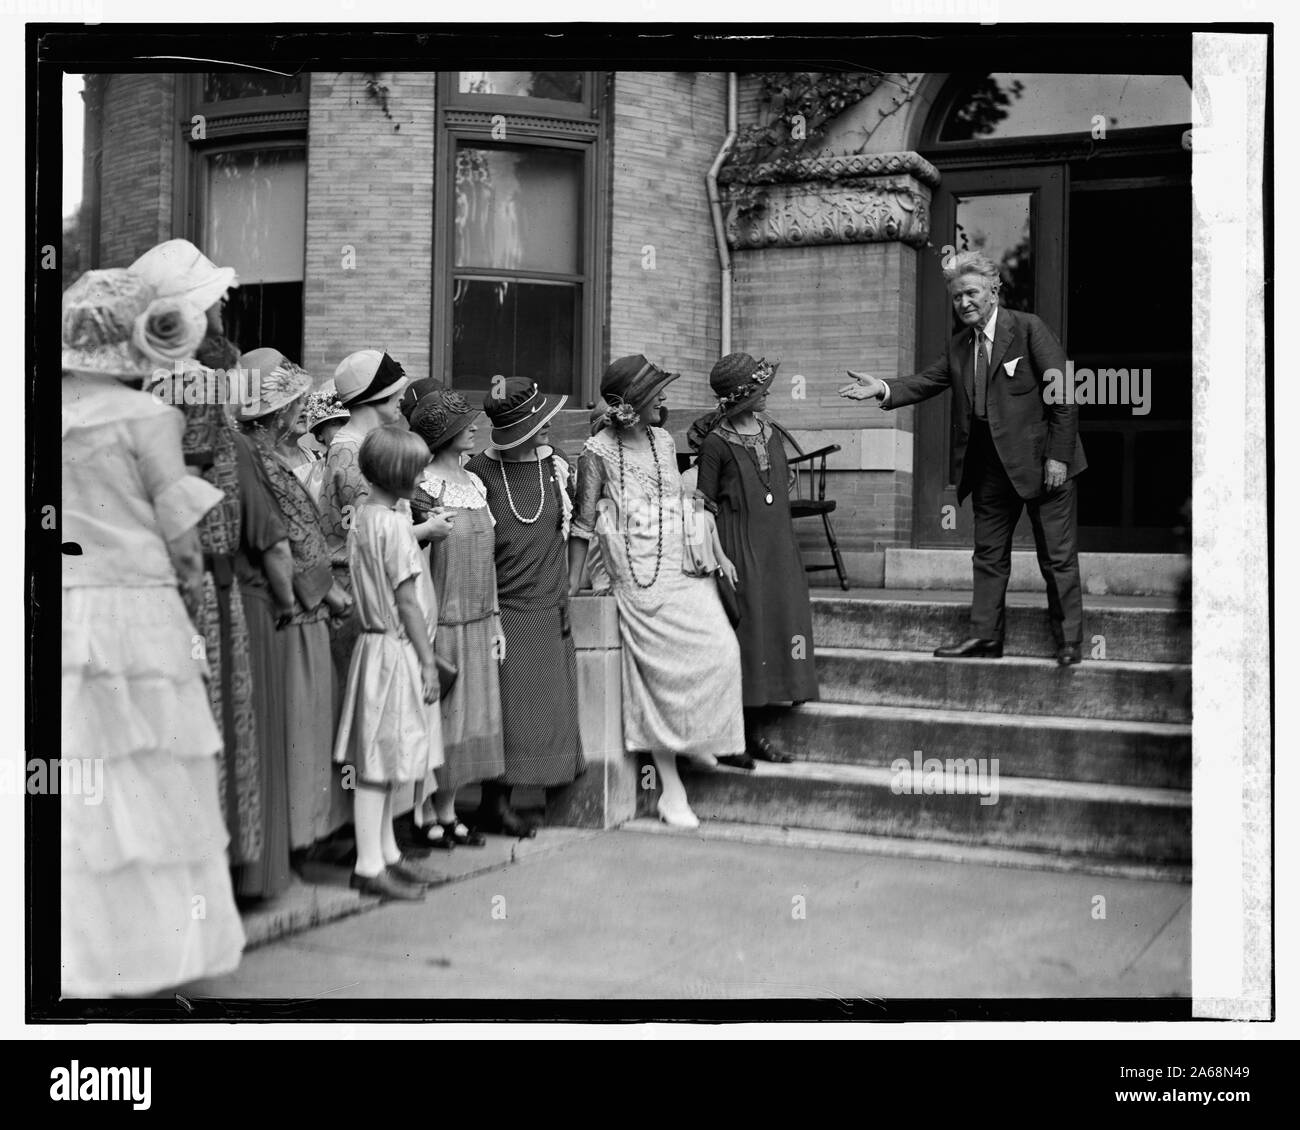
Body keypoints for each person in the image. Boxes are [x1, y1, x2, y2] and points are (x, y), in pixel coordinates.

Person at [61, 267, 244, 994]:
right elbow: (181, 535)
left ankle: (73, 948)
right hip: (135, 611)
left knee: (78, 774)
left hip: (63, 606)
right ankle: (145, 952)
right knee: (154, 771)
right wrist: (193, 606)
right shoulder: (147, 420)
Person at [840, 249, 1088, 666]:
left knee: (1056, 556)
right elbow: (928, 380)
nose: (964, 303)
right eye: (957, 297)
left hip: (1044, 464)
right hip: (989, 469)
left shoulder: (1028, 329)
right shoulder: (960, 345)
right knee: (988, 556)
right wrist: (882, 388)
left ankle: (1068, 642)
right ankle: (985, 639)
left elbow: (1063, 395)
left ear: (994, 291)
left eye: (971, 293)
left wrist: (1057, 458)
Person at [568, 355, 746, 829]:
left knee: (722, 651)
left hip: (683, 563)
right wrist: (571, 590)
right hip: (637, 574)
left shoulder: (663, 439)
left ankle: (697, 740)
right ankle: (671, 790)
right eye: (656, 394)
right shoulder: (595, 452)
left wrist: (713, 547)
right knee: (662, 676)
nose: (665, 400)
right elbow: (584, 523)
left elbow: (682, 500)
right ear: (631, 405)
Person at [134, 239, 264, 874]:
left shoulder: (149, 383)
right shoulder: (195, 385)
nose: (224, 314)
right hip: (201, 584)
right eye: (214, 305)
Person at [237, 348, 355, 859]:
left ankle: (308, 835)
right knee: (303, 729)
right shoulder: (265, 464)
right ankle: (303, 838)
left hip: (301, 607)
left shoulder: (263, 459)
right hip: (298, 613)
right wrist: (326, 594)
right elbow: (286, 545)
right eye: (294, 405)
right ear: (280, 412)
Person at [333, 426, 448, 900]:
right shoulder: (397, 526)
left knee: (385, 754)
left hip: (371, 648)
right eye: (417, 469)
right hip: (396, 649)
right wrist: (427, 662)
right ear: (400, 474)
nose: (422, 476)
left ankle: (387, 855)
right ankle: (368, 864)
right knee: (381, 763)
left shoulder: (363, 517)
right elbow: (407, 603)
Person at [466, 379, 586, 836]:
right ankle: (494, 803)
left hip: (549, 605)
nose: (548, 428)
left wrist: (572, 584)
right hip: (505, 609)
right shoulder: (478, 472)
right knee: (506, 712)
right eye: (539, 424)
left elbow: (575, 525)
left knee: (546, 709)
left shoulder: (556, 467)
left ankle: (540, 790)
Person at [691, 352, 818, 765]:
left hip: (778, 544)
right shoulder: (716, 443)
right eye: (760, 389)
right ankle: (747, 733)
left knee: (782, 620)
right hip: (739, 546)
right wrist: (719, 557)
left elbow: (777, 484)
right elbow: (703, 506)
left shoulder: (770, 432)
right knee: (752, 633)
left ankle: (781, 696)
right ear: (740, 397)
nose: (768, 394)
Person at [408, 391, 507, 848]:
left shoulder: (475, 483)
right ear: (441, 433)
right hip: (441, 621)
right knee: (440, 721)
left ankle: (448, 811)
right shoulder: (420, 487)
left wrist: (496, 620)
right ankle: (423, 812)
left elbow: (488, 560)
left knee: (469, 721)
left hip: (479, 618)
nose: (474, 426)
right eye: (464, 422)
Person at [319, 351, 450, 683]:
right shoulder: (349, 450)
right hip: (364, 603)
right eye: (396, 394)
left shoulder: (368, 443)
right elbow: (374, 536)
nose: (402, 400)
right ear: (375, 397)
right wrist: (428, 530)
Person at [294, 386, 349, 505]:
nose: (343, 429)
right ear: (320, 435)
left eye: (347, 424)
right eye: (335, 424)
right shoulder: (318, 461)